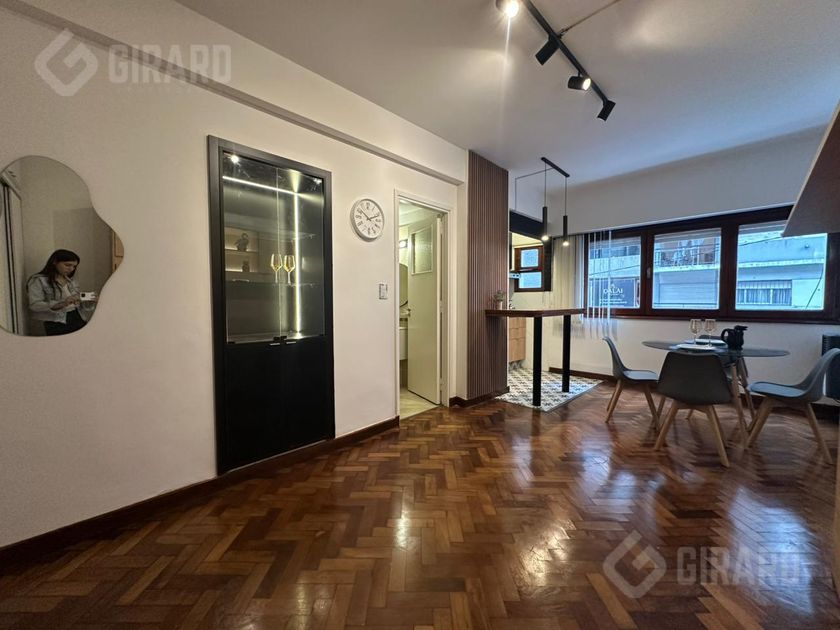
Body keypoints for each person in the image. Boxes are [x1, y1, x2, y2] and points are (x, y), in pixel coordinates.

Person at [27, 249, 95, 336]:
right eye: (67, 265)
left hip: (78, 317)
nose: (71, 269)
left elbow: (80, 305)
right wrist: (62, 303)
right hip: (56, 321)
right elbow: (35, 305)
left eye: (74, 266)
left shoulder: (71, 281)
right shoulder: (39, 280)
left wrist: (90, 301)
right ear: (54, 262)